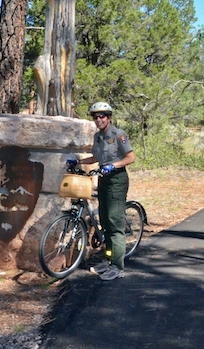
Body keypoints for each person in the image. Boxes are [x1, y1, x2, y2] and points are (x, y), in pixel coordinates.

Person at [67, 101, 136, 281]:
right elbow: (96, 157)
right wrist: (79, 161)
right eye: (96, 117)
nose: (99, 119)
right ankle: (109, 258)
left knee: (114, 223)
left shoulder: (118, 135)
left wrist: (113, 165)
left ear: (109, 117)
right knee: (105, 222)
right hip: (104, 179)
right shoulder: (98, 137)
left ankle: (118, 266)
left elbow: (131, 157)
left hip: (117, 180)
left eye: (102, 116)